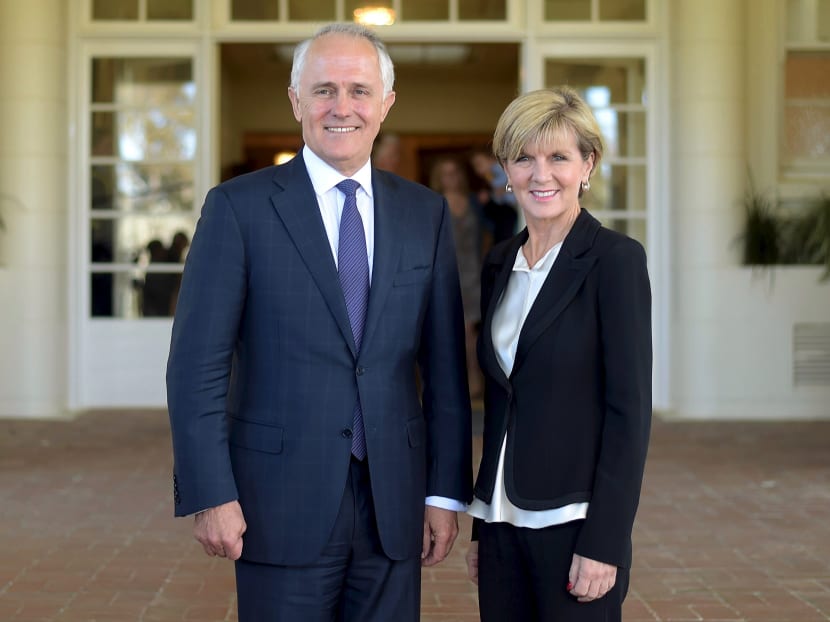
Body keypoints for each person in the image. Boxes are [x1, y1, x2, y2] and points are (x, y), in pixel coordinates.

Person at [166, 22, 472, 622]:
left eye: (359, 91)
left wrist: (443, 492)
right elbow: (195, 366)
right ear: (296, 100)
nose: (342, 107)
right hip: (276, 501)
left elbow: (444, 373)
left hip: (395, 502)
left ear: (385, 104)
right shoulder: (238, 208)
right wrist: (211, 492)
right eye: (323, 89)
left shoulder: (423, 214)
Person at [464, 86, 652, 621]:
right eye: (523, 157)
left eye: (558, 157)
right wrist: (483, 520)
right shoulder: (500, 262)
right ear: (505, 168)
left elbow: (629, 414)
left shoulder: (615, 261)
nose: (540, 174)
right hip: (501, 522)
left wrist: (606, 542)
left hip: (575, 525)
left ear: (587, 165)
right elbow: (503, 403)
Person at [429, 156, 486, 398]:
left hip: (474, 271)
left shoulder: (473, 201)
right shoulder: (434, 203)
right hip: (447, 272)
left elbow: (487, 233)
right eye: (446, 174)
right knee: (454, 329)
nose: (451, 178)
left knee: (471, 330)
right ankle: (457, 381)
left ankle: (474, 379)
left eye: (455, 173)